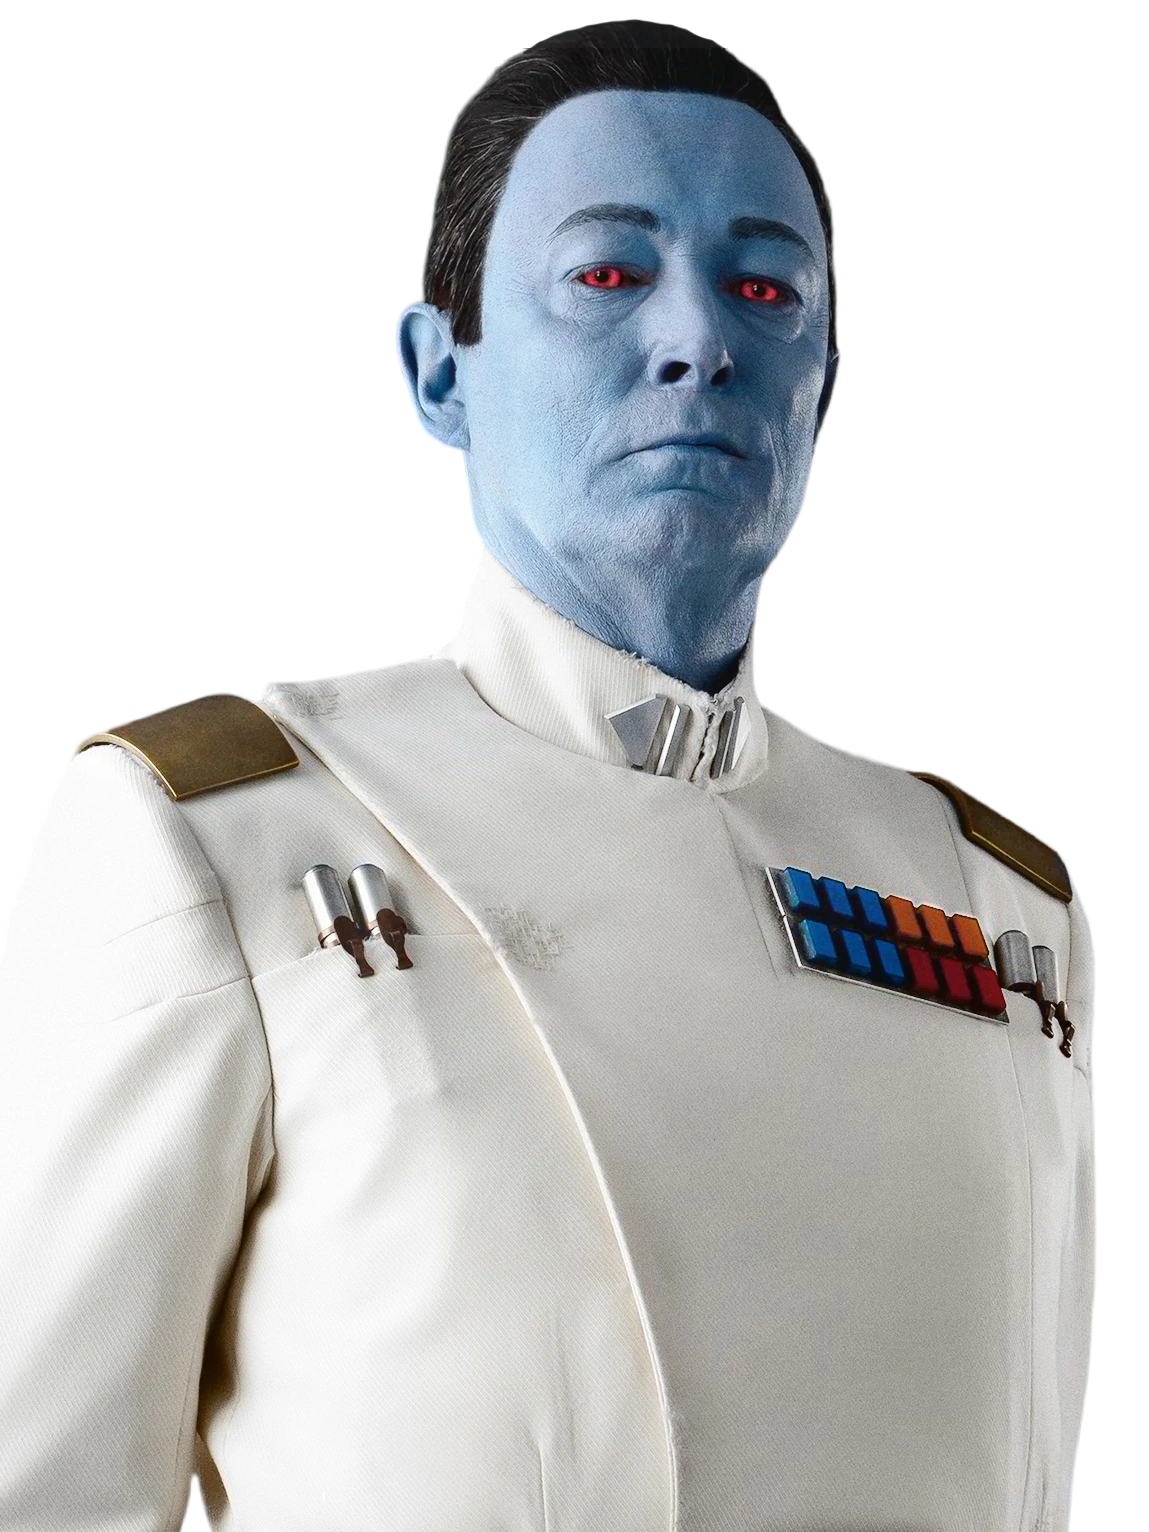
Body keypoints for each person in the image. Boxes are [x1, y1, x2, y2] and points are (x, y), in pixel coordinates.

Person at [0, 19, 1095, 1530]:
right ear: (434, 370)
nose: (698, 338)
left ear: (821, 387)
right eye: (607, 274)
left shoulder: (990, 894)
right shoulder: (220, 839)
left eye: (765, 289)